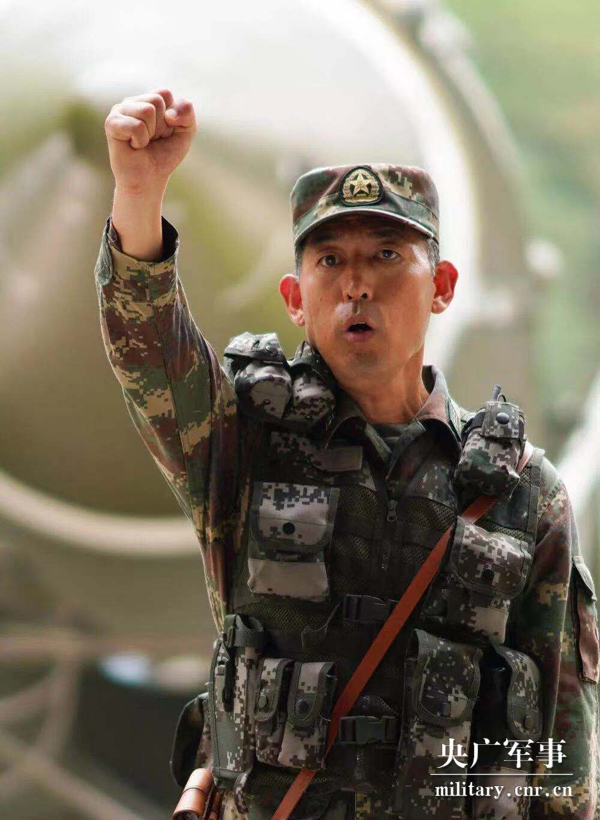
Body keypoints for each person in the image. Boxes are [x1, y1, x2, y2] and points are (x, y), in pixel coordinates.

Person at [94, 88, 599, 820]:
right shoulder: (242, 442)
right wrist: (139, 194)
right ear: (295, 298)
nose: (357, 283)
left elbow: (564, 742)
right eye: (330, 260)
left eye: (387, 255)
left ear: (442, 287)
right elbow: (148, 354)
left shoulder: (523, 491)